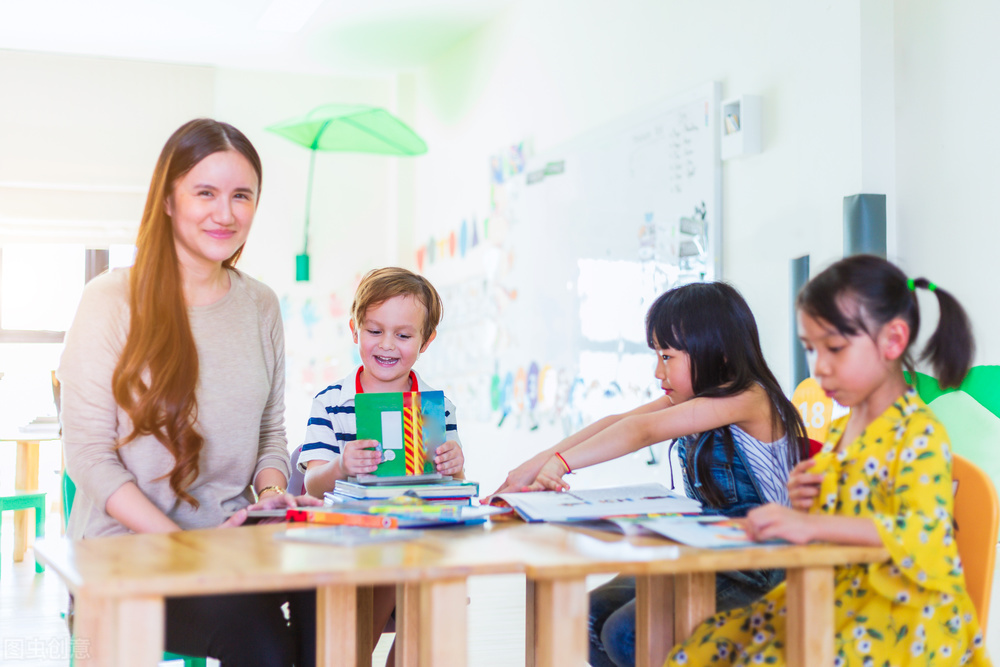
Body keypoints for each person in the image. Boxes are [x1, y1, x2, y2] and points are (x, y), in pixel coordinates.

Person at [59, 118, 321, 666]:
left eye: (241, 196)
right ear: (170, 201)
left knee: (338, 602)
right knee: (258, 638)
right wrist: (188, 544)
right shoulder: (110, 300)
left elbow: (272, 434)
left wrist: (274, 499)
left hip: (235, 544)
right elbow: (87, 455)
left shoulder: (261, 305)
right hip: (129, 552)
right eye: (205, 192)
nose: (225, 214)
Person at [665, 254, 989, 666]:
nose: (820, 369)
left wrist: (810, 522)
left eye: (834, 349)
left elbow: (919, 533)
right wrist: (809, 500)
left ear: (892, 341)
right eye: (812, 351)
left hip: (904, 619)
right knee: (705, 646)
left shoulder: (918, 432)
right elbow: (848, 515)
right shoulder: (843, 430)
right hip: (843, 596)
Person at [493, 282, 808, 667]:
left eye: (667, 356)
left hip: (764, 568)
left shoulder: (751, 399)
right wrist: (537, 463)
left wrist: (560, 464)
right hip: (708, 552)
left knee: (628, 633)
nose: (658, 371)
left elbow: (641, 432)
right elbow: (620, 420)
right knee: (586, 619)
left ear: (718, 352)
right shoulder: (694, 398)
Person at [297, 266, 465, 664]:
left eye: (404, 335)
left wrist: (455, 464)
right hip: (351, 545)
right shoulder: (332, 402)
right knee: (388, 567)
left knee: (431, 589)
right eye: (374, 331)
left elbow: (453, 483)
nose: (387, 345)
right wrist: (341, 465)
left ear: (426, 341)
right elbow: (312, 487)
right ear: (354, 330)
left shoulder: (436, 407)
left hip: (418, 541)